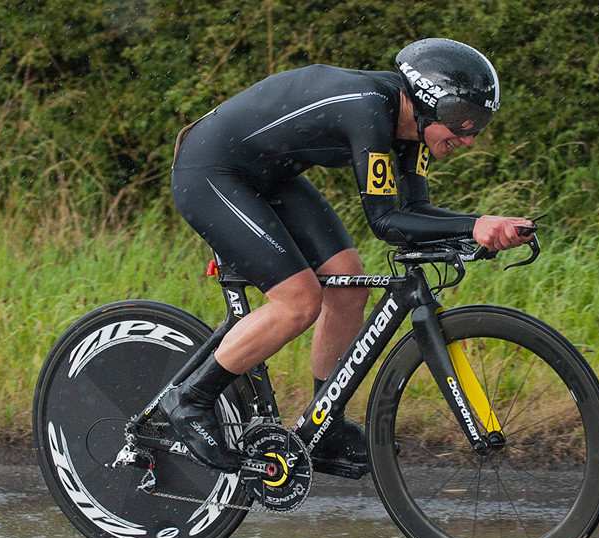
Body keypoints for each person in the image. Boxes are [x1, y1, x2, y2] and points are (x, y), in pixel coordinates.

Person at [160, 38, 535, 472]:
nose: (468, 138)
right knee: (299, 301)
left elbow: (413, 213)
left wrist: (479, 228)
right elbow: (384, 222)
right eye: (462, 122)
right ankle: (189, 401)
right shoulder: (370, 108)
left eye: (478, 124)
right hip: (211, 171)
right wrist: (473, 224)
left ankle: (325, 425)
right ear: (430, 103)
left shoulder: (411, 128)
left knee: (348, 286)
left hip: (270, 175)